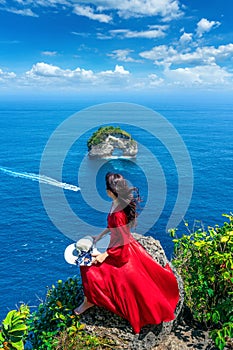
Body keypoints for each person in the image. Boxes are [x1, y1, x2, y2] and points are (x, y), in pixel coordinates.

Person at [74, 172, 179, 334]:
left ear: (111, 191)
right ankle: (90, 299)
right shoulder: (117, 203)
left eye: (106, 187)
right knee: (88, 261)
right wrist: (100, 236)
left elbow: (121, 241)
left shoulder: (117, 211)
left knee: (86, 267)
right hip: (120, 245)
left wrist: (104, 255)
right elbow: (114, 227)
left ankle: (90, 300)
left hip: (120, 254)